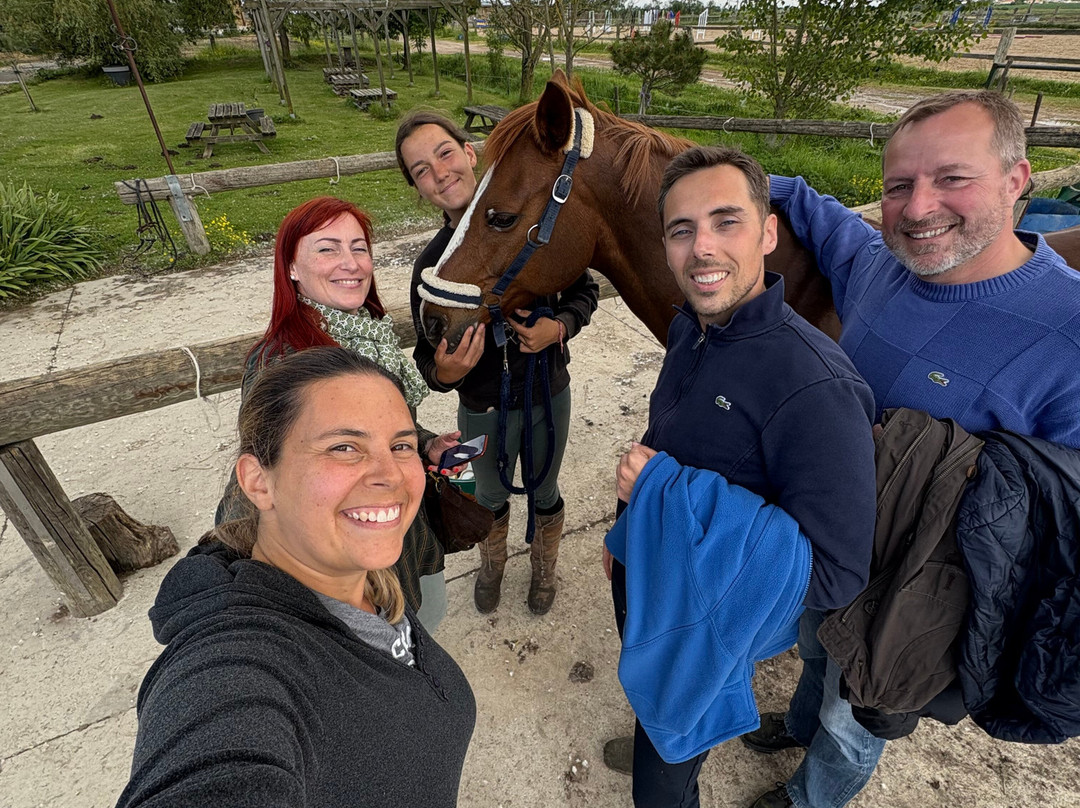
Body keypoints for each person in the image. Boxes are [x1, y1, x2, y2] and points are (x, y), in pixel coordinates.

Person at [745, 90, 1080, 808]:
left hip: (915, 587)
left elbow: (1062, 518)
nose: (919, 206)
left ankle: (812, 797)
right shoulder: (878, 267)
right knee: (812, 650)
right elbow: (816, 207)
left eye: (952, 178)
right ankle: (796, 719)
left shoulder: (1070, 332)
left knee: (853, 713)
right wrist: (717, 180)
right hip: (824, 540)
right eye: (899, 185)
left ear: (1018, 180)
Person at [603, 145, 878, 808]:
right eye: (681, 230)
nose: (702, 249)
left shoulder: (815, 384)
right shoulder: (689, 330)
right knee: (660, 704)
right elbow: (670, 442)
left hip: (709, 620)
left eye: (727, 221)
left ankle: (670, 748)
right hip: (654, 579)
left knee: (662, 778)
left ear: (768, 233)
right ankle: (660, 722)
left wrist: (670, 498)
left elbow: (837, 572)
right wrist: (638, 532)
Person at [117, 347, 476, 808]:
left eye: (400, 445)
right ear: (258, 482)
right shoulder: (236, 666)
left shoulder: (370, 584)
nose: (391, 475)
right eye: (343, 447)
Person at [214, 196, 463, 631]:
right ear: (291, 267)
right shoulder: (282, 363)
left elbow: (380, 422)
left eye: (359, 247)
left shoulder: (367, 334)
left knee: (426, 623)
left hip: (402, 533)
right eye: (328, 248)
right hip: (355, 566)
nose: (351, 263)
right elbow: (259, 480)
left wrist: (422, 442)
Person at [395, 111, 600, 615]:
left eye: (445, 152)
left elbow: (583, 288)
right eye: (420, 170)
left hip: (548, 392)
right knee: (486, 492)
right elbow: (427, 353)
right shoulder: (432, 264)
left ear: (470, 154)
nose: (439, 172)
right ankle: (492, 564)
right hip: (480, 407)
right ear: (418, 190)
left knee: (545, 488)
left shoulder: (533, 225)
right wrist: (445, 373)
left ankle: (544, 566)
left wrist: (561, 327)